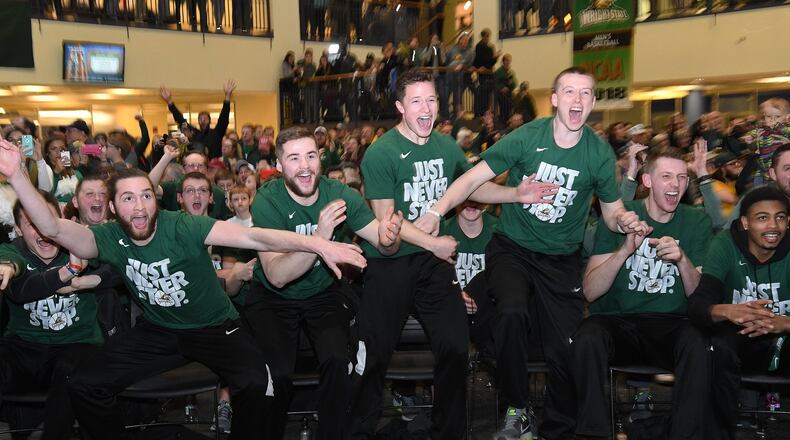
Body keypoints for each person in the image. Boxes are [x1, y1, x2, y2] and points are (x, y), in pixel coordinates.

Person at [0, 138, 367, 439]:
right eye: (128, 198)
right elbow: (54, 228)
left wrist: (317, 243)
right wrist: (17, 175)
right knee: (83, 383)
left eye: (146, 195)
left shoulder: (183, 227)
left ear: (155, 199)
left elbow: (253, 234)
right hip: (159, 330)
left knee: (258, 384)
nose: (139, 205)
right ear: (113, 207)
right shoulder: (106, 237)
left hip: (215, 326)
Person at [414, 67, 649, 439]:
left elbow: (611, 211)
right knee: (510, 311)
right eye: (569, 92)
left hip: (560, 260)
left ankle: (557, 427)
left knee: (567, 347)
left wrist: (625, 220)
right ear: (555, 99)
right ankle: (517, 408)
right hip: (514, 249)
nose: (577, 100)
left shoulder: (598, 153)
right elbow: (473, 179)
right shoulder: (528, 137)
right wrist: (434, 211)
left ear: (592, 102)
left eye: (586, 93)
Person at [349, 69, 554, 439]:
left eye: (431, 100)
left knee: (455, 346)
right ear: (400, 107)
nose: (426, 109)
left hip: (432, 265)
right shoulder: (380, 153)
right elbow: (385, 223)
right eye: (416, 101)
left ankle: (450, 432)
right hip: (390, 264)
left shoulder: (446, 147)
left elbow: (471, 188)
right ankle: (359, 431)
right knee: (373, 356)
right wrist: (433, 243)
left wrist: (515, 195)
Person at [246, 126, 402, 439]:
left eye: (310, 155)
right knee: (276, 375)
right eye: (293, 158)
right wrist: (320, 239)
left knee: (337, 361)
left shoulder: (340, 195)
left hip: (322, 291)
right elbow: (277, 275)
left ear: (320, 158)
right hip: (274, 297)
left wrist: (391, 235)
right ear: (279, 166)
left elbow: (384, 243)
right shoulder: (267, 201)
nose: (304, 166)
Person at [572, 147, 713, 439]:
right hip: (620, 322)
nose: (675, 184)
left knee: (699, 341)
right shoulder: (621, 216)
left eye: (682, 178)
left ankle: (685, 435)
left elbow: (700, 297)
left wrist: (683, 259)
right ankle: (593, 434)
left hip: (671, 325)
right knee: (588, 335)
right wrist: (625, 249)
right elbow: (589, 291)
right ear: (647, 180)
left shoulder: (696, 220)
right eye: (666, 177)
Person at [0, 191, 106, 440]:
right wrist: (7, 266)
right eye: (31, 225)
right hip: (24, 349)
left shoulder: (80, 247)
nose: (43, 233)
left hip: (77, 345)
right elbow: (10, 263)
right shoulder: (13, 250)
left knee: (72, 372)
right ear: (18, 229)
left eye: (46, 221)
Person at [688, 186, 790, 439]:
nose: (773, 226)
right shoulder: (724, 244)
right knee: (717, 344)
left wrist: (784, 324)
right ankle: (724, 428)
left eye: (780, 217)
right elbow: (698, 305)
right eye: (762, 218)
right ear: (745, 222)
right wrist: (728, 311)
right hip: (740, 339)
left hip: (786, 338)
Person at [159, 81, 235, 159]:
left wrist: (227, 97)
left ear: (210, 121)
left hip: (214, 167)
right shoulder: (194, 134)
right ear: (198, 121)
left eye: (205, 118)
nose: (203, 120)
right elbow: (181, 120)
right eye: (200, 119)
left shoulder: (216, 133)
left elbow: (224, 118)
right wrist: (169, 102)